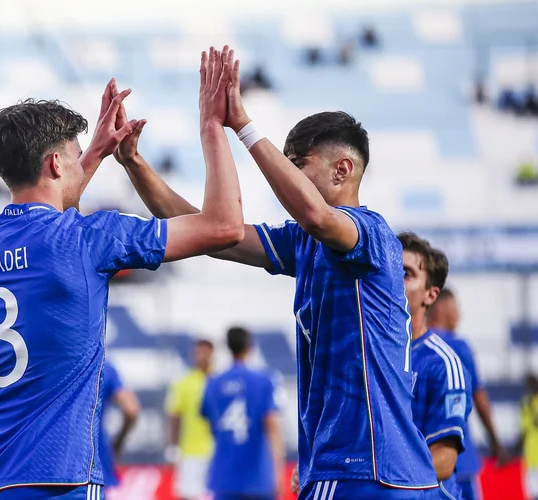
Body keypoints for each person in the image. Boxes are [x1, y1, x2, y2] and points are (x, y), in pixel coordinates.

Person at [115, 55, 440, 498]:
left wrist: (241, 125)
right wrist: (135, 164)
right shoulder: (304, 242)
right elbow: (209, 231)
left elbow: (316, 215)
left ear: (342, 170)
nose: (286, 174)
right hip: (385, 471)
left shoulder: (369, 231)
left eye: (298, 164)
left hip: (358, 466)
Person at [0, 46, 244, 500]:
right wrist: (213, 126)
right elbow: (224, 226)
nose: (78, 164)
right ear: (53, 164)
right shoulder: (90, 238)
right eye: (70, 157)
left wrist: (93, 153)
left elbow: (47, 211)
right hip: (56, 479)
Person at [399, 233, 473, 500]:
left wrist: (385, 479)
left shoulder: (444, 364)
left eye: (406, 273)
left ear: (430, 295)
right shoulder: (365, 355)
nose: (393, 279)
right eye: (390, 270)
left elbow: (443, 461)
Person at [428, 288, 511, 500]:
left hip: (422, 462)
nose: (459, 314)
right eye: (455, 308)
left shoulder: (412, 347)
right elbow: (480, 399)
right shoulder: (457, 346)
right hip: (457, 460)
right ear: (442, 307)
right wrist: (496, 442)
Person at [201, 327, 285, 500]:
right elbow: (273, 426)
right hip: (258, 478)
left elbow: (210, 424)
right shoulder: (264, 381)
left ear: (228, 346)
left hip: (224, 476)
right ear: (250, 346)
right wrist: (278, 472)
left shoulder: (213, 383)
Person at [164, 338, 215, 500]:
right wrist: (173, 447)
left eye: (206, 352)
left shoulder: (219, 381)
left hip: (217, 451)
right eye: (199, 352)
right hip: (190, 452)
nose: (202, 356)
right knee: (189, 495)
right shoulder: (183, 383)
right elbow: (174, 416)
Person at [100, 360, 140, 495]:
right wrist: (118, 443)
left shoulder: (48, 361)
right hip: (93, 457)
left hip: (45, 459)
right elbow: (131, 409)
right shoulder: (102, 365)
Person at [520, 373, 538, 500]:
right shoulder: (525, 403)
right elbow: (524, 431)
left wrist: (533, 409)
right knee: (533, 495)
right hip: (529, 459)